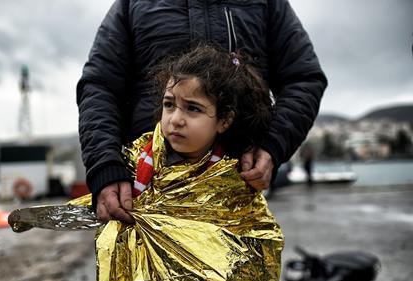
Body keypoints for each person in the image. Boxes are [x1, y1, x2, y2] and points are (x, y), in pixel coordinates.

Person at [77, 0, 327, 223]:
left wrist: (273, 146)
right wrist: (105, 166)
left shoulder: (268, 4)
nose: (176, 118)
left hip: (234, 189)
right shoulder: (131, 5)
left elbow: (304, 78)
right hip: (143, 189)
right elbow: (100, 86)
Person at [93, 45, 284, 281]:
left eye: (192, 109)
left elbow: (254, 248)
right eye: (169, 104)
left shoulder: (234, 182)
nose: (175, 119)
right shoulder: (134, 166)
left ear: (224, 120)